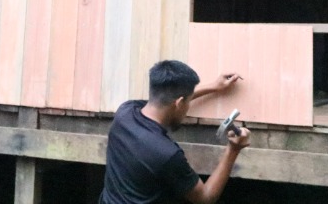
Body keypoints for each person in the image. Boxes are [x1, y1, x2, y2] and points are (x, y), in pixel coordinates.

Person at [101, 61, 249, 204]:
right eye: (188, 102)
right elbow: (205, 197)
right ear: (178, 103)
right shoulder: (167, 154)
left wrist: (213, 87)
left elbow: (163, 101)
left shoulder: (125, 112)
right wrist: (233, 149)